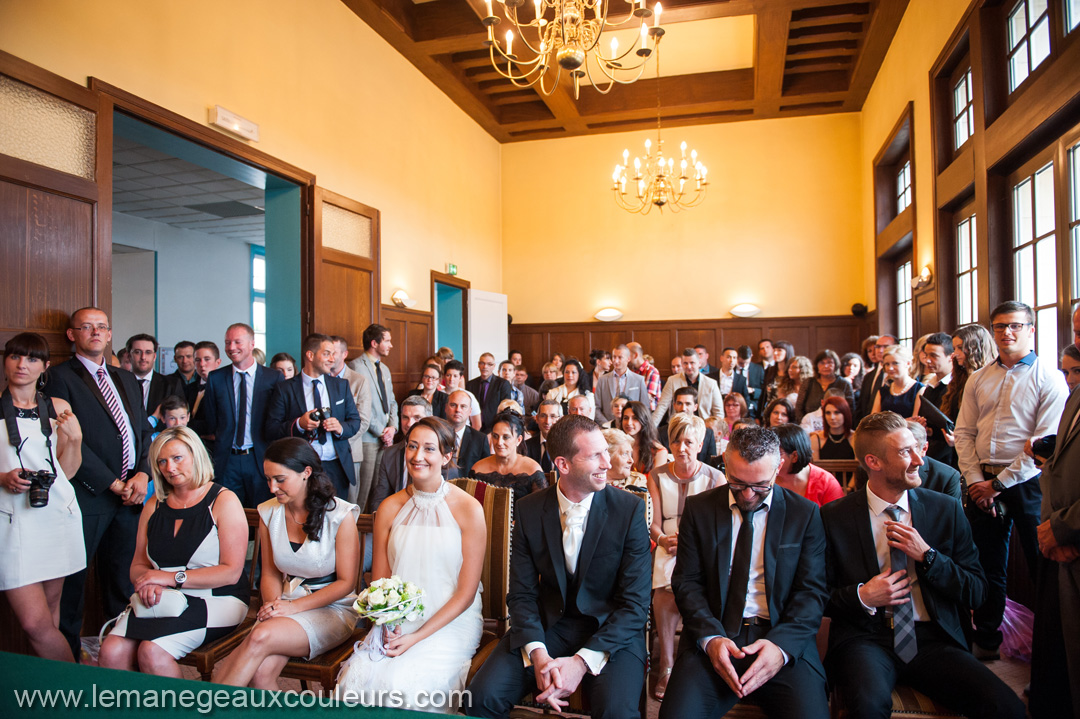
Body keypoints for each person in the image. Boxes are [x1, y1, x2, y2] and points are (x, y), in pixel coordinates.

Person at [821, 412, 1025, 719]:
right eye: (906, 452)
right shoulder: (833, 517)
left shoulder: (945, 510)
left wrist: (929, 556)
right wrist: (863, 596)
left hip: (933, 639)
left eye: (917, 448)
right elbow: (816, 595)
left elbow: (977, 592)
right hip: (866, 639)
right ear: (873, 462)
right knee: (867, 707)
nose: (920, 460)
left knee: (1007, 707)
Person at [466, 414, 651, 717]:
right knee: (481, 698)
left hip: (612, 631)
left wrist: (580, 663)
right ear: (564, 465)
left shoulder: (629, 510)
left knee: (616, 712)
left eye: (606, 451)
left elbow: (634, 604)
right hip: (550, 625)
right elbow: (522, 595)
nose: (608, 462)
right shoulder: (529, 510)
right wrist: (538, 655)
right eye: (595, 455)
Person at [659, 425, 830, 719]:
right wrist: (711, 638)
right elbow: (687, 582)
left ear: (778, 468)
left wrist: (782, 647)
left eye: (761, 485)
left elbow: (812, 593)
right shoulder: (699, 510)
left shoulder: (805, 514)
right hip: (715, 632)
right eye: (737, 483)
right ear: (725, 462)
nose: (749, 494)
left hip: (780, 637)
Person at [338, 417, 485, 712]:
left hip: (451, 620)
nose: (418, 456)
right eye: (412, 447)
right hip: (398, 620)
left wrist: (417, 637)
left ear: (446, 456)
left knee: (401, 685)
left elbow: (466, 593)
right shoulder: (390, 507)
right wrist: (389, 623)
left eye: (429, 449)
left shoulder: (469, 508)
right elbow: (380, 579)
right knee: (356, 682)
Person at [955, 301, 1068, 660]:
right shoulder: (979, 378)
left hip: (1030, 481)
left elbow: (1044, 442)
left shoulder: (1048, 377)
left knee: (1043, 564)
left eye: (1016, 326)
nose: (1007, 333)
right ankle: (987, 639)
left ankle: (1054, 651)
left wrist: (998, 485)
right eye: (1000, 326)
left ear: (1031, 330)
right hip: (981, 479)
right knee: (987, 563)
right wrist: (976, 481)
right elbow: (964, 433)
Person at [44, 307, 154, 659]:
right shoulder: (59, 378)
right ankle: (70, 657)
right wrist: (110, 483)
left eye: (102, 327)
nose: (95, 332)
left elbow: (142, 432)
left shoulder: (125, 377)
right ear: (71, 334)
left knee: (123, 578)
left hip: (131, 494)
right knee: (74, 581)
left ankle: (119, 650)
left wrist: (142, 473)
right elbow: (68, 440)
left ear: (109, 335)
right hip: (87, 495)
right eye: (86, 327)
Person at [98, 427, 249, 676]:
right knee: (111, 651)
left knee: (152, 651)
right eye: (162, 461)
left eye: (177, 458)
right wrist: (146, 583)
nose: (170, 468)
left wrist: (167, 579)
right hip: (162, 598)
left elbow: (231, 573)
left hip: (218, 598)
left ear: (195, 455)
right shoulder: (153, 505)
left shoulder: (223, 500)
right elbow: (138, 565)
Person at [216, 437, 360, 690]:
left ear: (306, 472)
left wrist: (292, 608)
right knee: (260, 673)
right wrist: (275, 606)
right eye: (268, 479)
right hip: (285, 605)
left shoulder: (340, 515)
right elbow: (270, 574)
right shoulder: (268, 512)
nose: (272, 487)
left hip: (333, 608)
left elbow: (346, 583)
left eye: (280, 479)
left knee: (259, 636)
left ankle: (204, 707)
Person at [1, 332, 85, 662]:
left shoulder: (57, 407)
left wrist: (74, 440)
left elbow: (68, 473)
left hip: (56, 517)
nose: (23, 365)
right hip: (13, 520)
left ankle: (50, 699)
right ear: (6, 361)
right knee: (35, 624)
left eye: (32, 358)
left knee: (51, 615)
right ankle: (73, 691)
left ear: (45, 366)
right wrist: (3, 478)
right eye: (15, 356)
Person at [647, 414, 724, 699]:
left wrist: (693, 544)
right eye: (676, 441)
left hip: (703, 549)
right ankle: (666, 664)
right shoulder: (656, 475)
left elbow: (721, 527)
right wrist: (662, 538)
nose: (681, 448)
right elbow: (653, 523)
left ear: (700, 444)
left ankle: (696, 659)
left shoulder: (716, 477)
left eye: (688, 441)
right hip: (667, 546)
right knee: (665, 584)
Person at [1031, 333, 1080, 718]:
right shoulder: (1075, 396)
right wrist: (1050, 525)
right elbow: (1057, 467)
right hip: (1060, 538)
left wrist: (1062, 528)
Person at [264, 334, 363, 500]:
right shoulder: (285, 389)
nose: (332, 359)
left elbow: (355, 421)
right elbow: (271, 429)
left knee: (337, 518)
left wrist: (340, 428)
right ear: (310, 355)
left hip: (337, 466)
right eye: (326, 354)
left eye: (333, 354)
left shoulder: (341, 386)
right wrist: (299, 424)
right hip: (301, 469)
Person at [201, 322, 283, 508]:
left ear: (252, 344)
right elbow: (211, 420)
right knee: (226, 511)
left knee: (263, 511)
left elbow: (277, 420)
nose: (231, 348)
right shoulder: (216, 378)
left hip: (260, 457)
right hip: (227, 459)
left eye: (237, 342)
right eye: (227, 342)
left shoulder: (273, 378)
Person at [348, 324, 398, 513]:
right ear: (374, 343)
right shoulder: (356, 366)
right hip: (368, 438)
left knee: (379, 490)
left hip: (386, 437)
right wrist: (381, 432)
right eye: (387, 341)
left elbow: (392, 401)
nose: (390, 345)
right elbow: (362, 406)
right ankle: (356, 534)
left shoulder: (384, 369)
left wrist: (392, 428)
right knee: (363, 492)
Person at [469, 411, 547, 508]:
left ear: (518, 440)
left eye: (506, 437)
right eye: (495, 436)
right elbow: (470, 507)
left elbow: (540, 509)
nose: (499, 442)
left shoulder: (533, 469)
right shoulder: (477, 469)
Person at [370, 395, 432, 513]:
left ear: (429, 419)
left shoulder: (438, 453)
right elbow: (380, 498)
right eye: (405, 417)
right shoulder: (389, 454)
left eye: (417, 417)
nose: (409, 423)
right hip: (396, 516)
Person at [940, 323, 997, 434]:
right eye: (954, 348)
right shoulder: (960, 376)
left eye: (960, 348)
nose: (955, 354)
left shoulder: (989, 379)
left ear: (976, 349)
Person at [773, 424, 845, 506]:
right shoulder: (764, 479)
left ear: (794, 456)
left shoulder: (826, 483)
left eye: (775, 453)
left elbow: (837, 517)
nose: (768, 458)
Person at [654, 349, 725, 427]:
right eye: (685, 363)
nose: (689, 366)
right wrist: (651, 428)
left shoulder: (711, 383)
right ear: (682, 364)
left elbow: (718, 412)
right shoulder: (672, 380)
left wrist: (718, 430)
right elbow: (662, 406)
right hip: (678, 426)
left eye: (692, 363)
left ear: (699, 363)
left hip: (703, 427)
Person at [126, 333, 185, 420]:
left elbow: (177, 420)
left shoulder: (171, 385)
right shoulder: (118, 383)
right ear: (129, 356)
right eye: (137, 352)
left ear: (154, 356)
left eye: (148, 352)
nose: (143, 357)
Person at [594, 345, 649, 423]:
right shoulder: (602, 379)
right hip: (607, 427)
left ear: (628, 358)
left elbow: (645, 407)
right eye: (614, 357)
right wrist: (607, 425)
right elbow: (596, 407)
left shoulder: (638, 380)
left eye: (620, 357)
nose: (615, 361)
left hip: (631, 425)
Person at [796, 350, 855, 421]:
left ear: (835, 365)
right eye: (822, 363)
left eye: (829, 362)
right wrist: (805, 425)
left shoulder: (844, 384)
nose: (825, 366)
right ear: (817, 366)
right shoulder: (808, 382)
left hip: (837, 425)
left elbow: (850, 409)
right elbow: (799, 408)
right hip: (810, 426)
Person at [445, 390, 490, 479]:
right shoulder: (435, 435)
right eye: (453, 405)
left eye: (463, 406)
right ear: (446, 408)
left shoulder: (480, 439)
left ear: (470, 411)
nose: (458, 410)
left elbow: (486, 472)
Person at [870, 345, 924, 419]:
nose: (890, 368)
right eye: (887, 364)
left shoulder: (919, 389)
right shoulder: (883, 390)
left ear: (908, 363)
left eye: (895, 363)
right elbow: (873, 419)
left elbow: (916, 421)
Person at [855, 335, 897, 421]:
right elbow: (861, 407)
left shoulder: (897, 376)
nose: (880, 350)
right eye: (877, 347)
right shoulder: (868, 376)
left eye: (885, 347)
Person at [468, 353, 512, 433]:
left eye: (489, 364)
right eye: (482, 363)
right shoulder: (470, 385)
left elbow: (505, 409)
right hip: (473, 428)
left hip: (494, 428)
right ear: (478, 365)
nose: (485, 367)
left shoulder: (503, 384)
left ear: (494, 366)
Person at [621, 401, 669, 475]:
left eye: (635, 418)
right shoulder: (618, 447)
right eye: (625, 418)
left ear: (644, 420)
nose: (629, 423)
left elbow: (657, 483)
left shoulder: (659, 451)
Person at [810, 396, 855, 461]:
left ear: (845, 414)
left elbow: (859, 468)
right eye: (828, 413)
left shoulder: (855, 438)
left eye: (837, 412)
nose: (832, 417)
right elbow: (815, 468)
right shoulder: (816, 439)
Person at [442, 360, 483, 431]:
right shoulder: (438, 394)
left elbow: (477, 424)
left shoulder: (468, 396)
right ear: (444, 376)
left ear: (460, 378)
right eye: (448, 375)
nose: (451, 379)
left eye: (455, 376)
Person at [524, 399, 561, 473]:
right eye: (543, 416)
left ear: (560, 419)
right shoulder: (526, 446)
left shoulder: (568, 446)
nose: (547, 421)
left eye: (553, 416)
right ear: (537, 419)